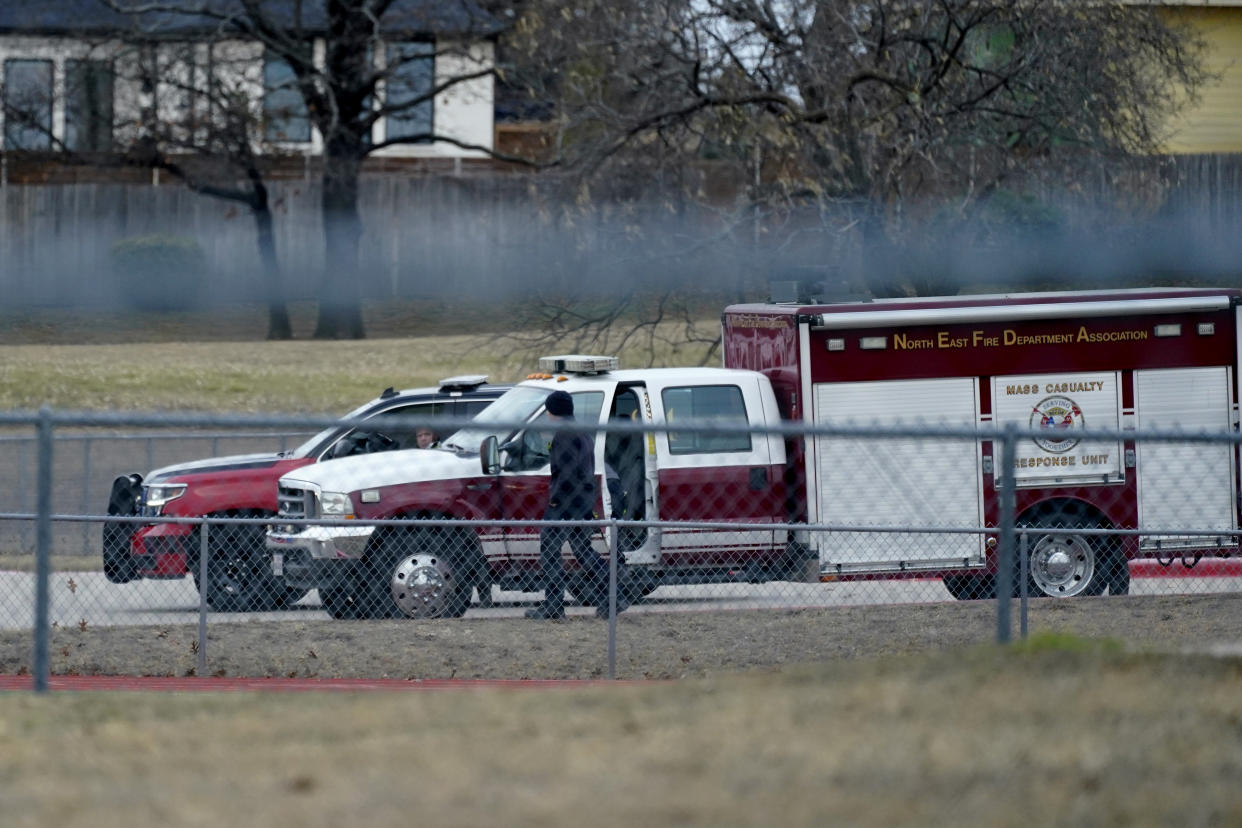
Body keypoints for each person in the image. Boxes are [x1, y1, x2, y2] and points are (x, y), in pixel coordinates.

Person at [526, 390, 628, 620]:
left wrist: (555, 499)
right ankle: (615, 596)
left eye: (549, 410)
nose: (548, 415)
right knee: (583, 551)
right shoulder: (581, 432)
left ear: (555, 411)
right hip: (582, 500)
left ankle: (554, 607)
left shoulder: (564, 435)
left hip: (564, 503)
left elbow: (566, 472)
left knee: (550, 551)